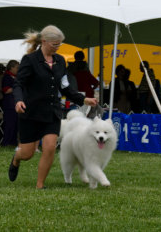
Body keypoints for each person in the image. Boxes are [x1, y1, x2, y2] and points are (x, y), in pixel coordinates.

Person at [9, 25, 98, 189]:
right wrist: (19, 100)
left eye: (59, 44)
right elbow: (19, 84)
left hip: (52, 112)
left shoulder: (60, 61)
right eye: (55, 44)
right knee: (27, 153)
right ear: (44, 41)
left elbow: (65, 87)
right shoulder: (30, 60)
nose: (58, 47)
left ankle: (40, 184)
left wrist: (84, 99)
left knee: (49, 147)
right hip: (31, 112)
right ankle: (16, 158)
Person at [1, 60, 20, 146]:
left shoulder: (16, 77)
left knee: (15, 124)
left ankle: (13, 141)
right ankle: (6, 142)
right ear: (11, 67)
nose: (18, 69)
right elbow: (6, 90)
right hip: (9, 104)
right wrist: (17, 88)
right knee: (9, 124)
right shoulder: (7, 77)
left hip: (15, 104)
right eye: (17, 67)